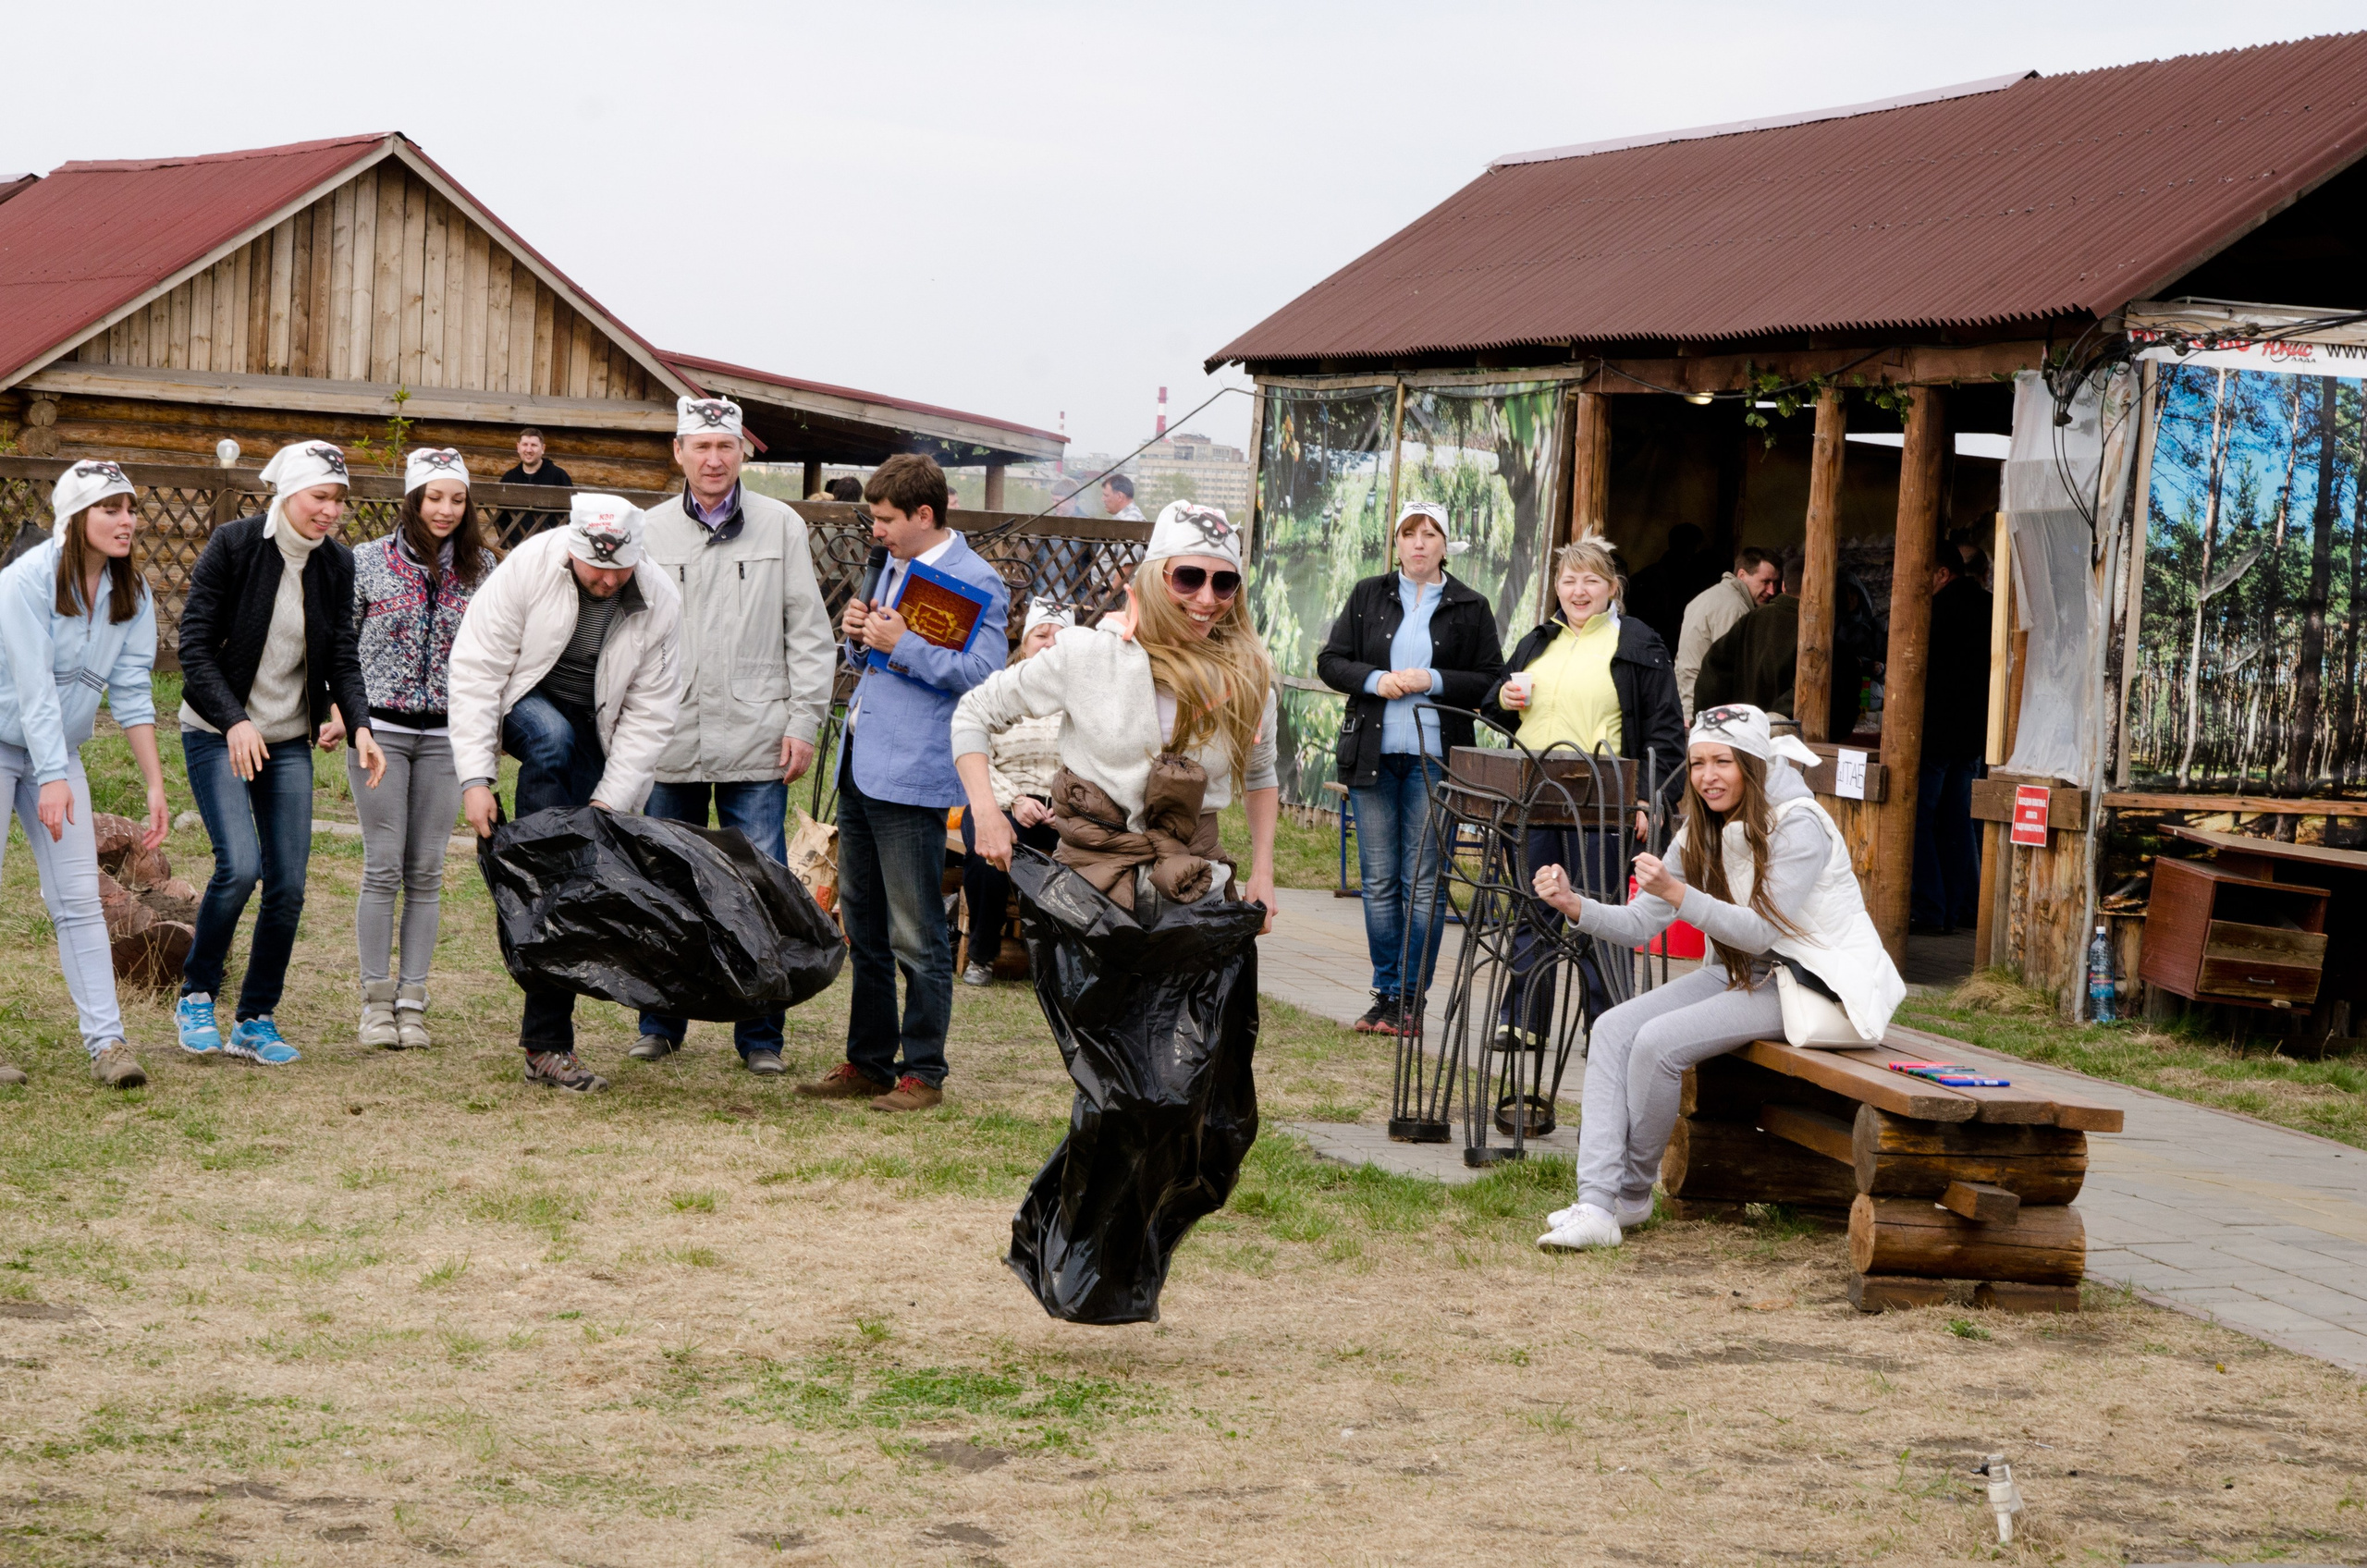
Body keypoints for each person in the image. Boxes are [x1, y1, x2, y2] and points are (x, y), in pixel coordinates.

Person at [1528, 704, 1904, 1250]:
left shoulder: (1799, 824)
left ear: (1753, 763)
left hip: (1811, 982)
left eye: (1723, 762)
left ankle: (1628, 1196)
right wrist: (1574, 904)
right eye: (1698, 763)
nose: (1708, 776)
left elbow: (1760, 931)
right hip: (1742, 971)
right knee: (1611, 1029)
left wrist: (1678, 892)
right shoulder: (1701, 827)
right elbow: (1641, 924)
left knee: (1657, 1043)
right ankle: (1596, 1201)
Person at [953, 497, 1278, 931]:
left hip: (1193, 888)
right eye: (1188, 577)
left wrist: (1263, 873)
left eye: (1224, 582)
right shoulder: (1087, 656)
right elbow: (974, 714)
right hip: (1091, 890)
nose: (1206, 598)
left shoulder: (1246, 679)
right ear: (1156, 577)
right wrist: (986, 811)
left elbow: (1260, 774)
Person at [795, 454, 1008, 1113]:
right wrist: (859, 639)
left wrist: (903, 645)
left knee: (916, 933)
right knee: (863, 926)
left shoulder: (977, 580)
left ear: (924, 514)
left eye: (886, 519)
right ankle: (868, 1062)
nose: (877, 530)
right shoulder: (889, 564)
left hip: (913, 774)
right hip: (861, 763)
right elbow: (874, 660)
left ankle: (923, 1072)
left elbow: (987, 676)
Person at [449, 495, 683, 1092]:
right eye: (595, 567)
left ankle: (547, 1046)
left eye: (619, 570)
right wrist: (476, 779)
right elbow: (477, 669)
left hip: (597, 732)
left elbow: (651, 714)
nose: (607, 580)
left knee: (568, 891)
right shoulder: (531, 566)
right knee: (551, 740)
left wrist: (607, 805)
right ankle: (535, 850)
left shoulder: (659, 598)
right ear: (572, 550)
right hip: (526, 701)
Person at [632, 397, 835, 1073]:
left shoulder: (781, 526)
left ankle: (762, 1036)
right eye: (701, 446)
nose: (714, 460)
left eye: (725, 447)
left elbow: (810, 634)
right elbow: (627, 636)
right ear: (679, 452)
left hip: (758, 736)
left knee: (760, 887)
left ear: (743, 453)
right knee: (667, 884)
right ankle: (660, 1024)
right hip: (672, 736)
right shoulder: (650, 531)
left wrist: (803, 721)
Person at [175, 440, 384, 1067]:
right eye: (321, 497)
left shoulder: (336, 564)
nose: (331, 511)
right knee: (240, 867)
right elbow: (193, 646)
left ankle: (255, 1020)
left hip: (287, 738)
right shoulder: (234, 545)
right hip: (217, 731)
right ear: (289, 492)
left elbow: (341, 653)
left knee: (288, 883)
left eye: (339, 501)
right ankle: (196, 995)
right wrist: (234, 721)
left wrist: (358, 725)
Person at [0, 461, 170, 1088]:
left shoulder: (133, 592)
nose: (127, 521)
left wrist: (154, 783)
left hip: (57, 755)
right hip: (7, 742)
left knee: (77, 898)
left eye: (130, 509)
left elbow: (132, 691)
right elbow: (33, 688)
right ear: (74, 518)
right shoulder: (24, 581)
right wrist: (51, 776)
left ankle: (108, 1045)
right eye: (110, 509)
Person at [1484, 537, 1685, 1047]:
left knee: (1600, 910)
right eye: (1568, 580)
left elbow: (1665, 730)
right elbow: (1493, 707)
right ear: (1556, 587)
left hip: (1604, 799)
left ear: (1612, 588)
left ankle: (1607, 1024)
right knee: (1534, 903)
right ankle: (1523, 1019)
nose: (1579, 591)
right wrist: (1504, 696)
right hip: (1534, 794)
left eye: (1591, 580)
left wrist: (1649, 798)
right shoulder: (1539, 640)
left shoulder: (1637, 642)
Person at [1317, 501, 1504, 1036]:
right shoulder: (1367, 595)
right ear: (1396, 543)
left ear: (1446, 544)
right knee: (1378, 882)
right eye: (1409, 534)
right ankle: (1384, 993)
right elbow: (1331, 662)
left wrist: (1434, 680)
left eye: (1430, 534)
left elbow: (1491, 680)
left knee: (1422, 883)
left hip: (1435, 762)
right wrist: (1376, 680)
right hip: (1371, 757)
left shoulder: (1471, 606)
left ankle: (1409, 1000)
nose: (1419, 543)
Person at [344, 447, 496, 1051]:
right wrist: (342, 712)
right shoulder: (366, 561)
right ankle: (375, 1003)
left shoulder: (483, 569)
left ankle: (413, 1001)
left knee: (427, 870)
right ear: (413, 499)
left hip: (447, 739)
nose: (445, 509)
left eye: (457, 499)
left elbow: (495, 652)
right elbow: (339, 644)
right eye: (435, 497)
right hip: (379, 733)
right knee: (383, 865)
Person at [956, 601, 1071, 987]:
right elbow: (975, 756)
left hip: (1065, 808)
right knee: (990, 854)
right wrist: (1015, 801)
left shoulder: (1083, 699)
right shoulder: (998, 692)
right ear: (1024, 644)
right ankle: (982, 956)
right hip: (1001, 801)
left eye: (1060, 637)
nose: (1050, 644)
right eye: (1041, 635)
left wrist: (1069, 805)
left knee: (1094, 860)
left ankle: (1066, 964)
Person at [1693, 547, 1862, 738]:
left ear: (1783, 586)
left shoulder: (1751, 620)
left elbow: (1712, 673)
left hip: (1743, 740)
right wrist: (1770, 724)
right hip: (1793, 746)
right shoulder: (1826, 635)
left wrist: (1709, 726)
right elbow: (1843, 702)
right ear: (1828, 591)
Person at [1914, 551, 1993, 934]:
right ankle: (1960, 907)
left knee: (1921, 819)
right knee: (1959, 820)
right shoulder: (1990, 607)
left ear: (1942, 572)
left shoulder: (1933, 611)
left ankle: (1931, 909)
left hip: (1936, 734)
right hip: (1974, 736)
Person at [1674, 546, 1779, 720]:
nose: (1772, 591)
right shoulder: (1735, 608)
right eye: (1765, 582)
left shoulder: (1706, 597)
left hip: (1687, 706)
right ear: (1742, 575)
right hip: (1708, 714)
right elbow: (1732, 674)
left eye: (1775, 583)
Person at [1624, 523, 1717, 651]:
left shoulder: (1649, 573)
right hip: (1664, 644)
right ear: (1694, 547)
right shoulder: (1690, 578)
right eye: (1697, 545)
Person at [500, 428, 573, 490]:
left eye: (533, 445)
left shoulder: (558, 476)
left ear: (543, 449)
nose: (528, 450)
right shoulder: (509, 478)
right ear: (518, 447)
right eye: (525, 445)